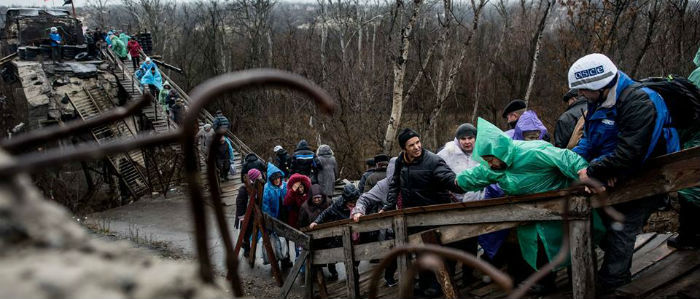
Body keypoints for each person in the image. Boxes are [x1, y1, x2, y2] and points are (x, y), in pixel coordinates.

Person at [567, 53, 680, 293]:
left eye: (583, 90)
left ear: (600, 86)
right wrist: (571, 160)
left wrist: (594, 170)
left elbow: (631, 151)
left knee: (623, 224)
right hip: (618, 172)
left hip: (650, 176)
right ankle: (612, 273)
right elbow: (591, 138)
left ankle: (613, 283)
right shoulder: (598, 101)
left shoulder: (638, 102)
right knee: (608, 222)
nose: (581, 96)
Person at [456, 117, 604, 292]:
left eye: (490, 158)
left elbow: (566, 157)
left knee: (575, 247)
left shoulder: (534, 151)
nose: (489, 163)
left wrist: (585, 175)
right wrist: (456, 182)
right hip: (531, 216)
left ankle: (583, 284)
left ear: (499, 152)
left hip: (562, 208)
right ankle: (545, 283)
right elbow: (475, 175)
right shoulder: (495, 167)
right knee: (538, 249)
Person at [381, 128, 463, 212]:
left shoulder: (433, 161)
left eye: (418, 142)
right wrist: (389, 205)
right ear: (404, 148)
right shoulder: (400, 161)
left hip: (435, 212)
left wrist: (462, 183)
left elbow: (447, 177)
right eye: (411, 145)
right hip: (411, 213)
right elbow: (395, 185)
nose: (417, 147)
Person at [667, 47, 700, 249]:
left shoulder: (698, 76)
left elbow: (691, 108)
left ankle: (689, 237)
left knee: (691, 187)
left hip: (696, 140)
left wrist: (678, 136)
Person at [298, 184, 338, 281]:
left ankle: (333, 271)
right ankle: (317, 275)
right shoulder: (305, 207)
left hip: (329, 236)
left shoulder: (329, 202)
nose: (317, 200)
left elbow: (335, 216)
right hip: (314, 238)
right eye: (314, 198)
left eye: (319, 198)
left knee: (331, 256)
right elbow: (301, 223)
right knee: (316, 257)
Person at [437, 123, 483, 202]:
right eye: (463, 139)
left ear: (475, 138)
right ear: (458, 140)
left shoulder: (484, 152)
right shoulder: (447, 152)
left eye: (470, 138)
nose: (467, 142)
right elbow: (435, 169)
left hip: (480, 201)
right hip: (453, 202)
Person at [261, 163, 291, 268]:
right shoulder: (267, 189)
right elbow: (266, 207)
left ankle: (286, 259)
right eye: (275, 179)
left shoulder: (284, 186)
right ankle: (278, 258)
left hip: (284, 216)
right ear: (271, 179)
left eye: (278, 178)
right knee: (277, 239)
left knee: (285, 238)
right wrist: (270, 221)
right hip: (275, 218)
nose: (277, 180)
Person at [235, 168, 263, 257]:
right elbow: (239, 203)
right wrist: (242, 217)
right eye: (259, 176)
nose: (261, 177)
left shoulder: (257, 186)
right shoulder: (243, 189)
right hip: (245, 214)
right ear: (254, 178)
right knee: (245, 232)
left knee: (251, 231)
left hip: (252, 213)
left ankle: (247, 246)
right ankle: (246, 248)